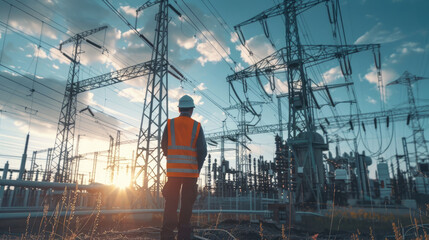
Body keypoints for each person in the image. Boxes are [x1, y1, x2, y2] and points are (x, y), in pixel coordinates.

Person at [160, 95, 207, 240]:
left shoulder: (170, 124)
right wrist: (196, 170)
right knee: (186, 205)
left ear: (179, 109)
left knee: (171, 203)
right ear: (192, 110)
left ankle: (167, 234)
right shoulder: (197, 126)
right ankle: (183, 235)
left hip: (173, 173)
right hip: (190, 174)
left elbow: (164, 145)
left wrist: (172, 158)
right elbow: (202, 151)